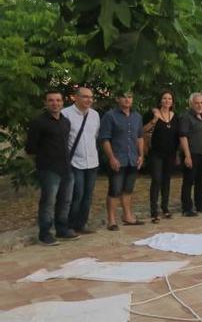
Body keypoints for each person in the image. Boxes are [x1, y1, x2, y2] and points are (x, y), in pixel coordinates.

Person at [26, 90, 77, 245]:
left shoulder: (65, 121)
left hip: (66, 167)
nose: (55, 103)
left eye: (58, 100)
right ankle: (45, 233)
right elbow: (30, 148)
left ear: (63, 102)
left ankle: (62, 229)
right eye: (51, 100)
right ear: (45, 103)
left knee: (65, 200)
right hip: (49, 169)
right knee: (48, 202)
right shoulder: (39, 122)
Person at [99, 91, 144, 230]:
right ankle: (111, 220)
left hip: (133, 159)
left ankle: (127, 216)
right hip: (118, 158)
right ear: (117, 99)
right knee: (115, 190)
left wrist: (141, 155)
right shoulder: (110, 116)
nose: (127, 100)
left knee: (128, 189)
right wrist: (111, 157)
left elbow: (140, 137)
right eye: (124, 97)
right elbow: (105, 139)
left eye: (130, 97)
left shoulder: (137, 117)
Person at [63, 87, 100, 234]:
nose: (89, 100)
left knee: (88, 195)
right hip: (74, 162)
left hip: (92, 161)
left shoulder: (95, 115)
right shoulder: (66, 114)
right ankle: (70, 224)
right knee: (77, 194)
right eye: (85, 97)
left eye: (91, 97)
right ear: (75, 98)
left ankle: (82, 223)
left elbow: (95, 136)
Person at [143, 91, 179, 222]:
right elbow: (143, 130)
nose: (167, 100)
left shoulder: (175, 116)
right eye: (164, 98)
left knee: (167, 181)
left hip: (170, 153)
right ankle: (154, 211)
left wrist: (178, 153)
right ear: (160, 100)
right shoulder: (153, 113)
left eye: (169, 98)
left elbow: (177, 136)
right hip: (156, 153)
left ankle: (165, 208)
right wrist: (155, 120)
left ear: (172, 101)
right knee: (157, 180)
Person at [178, 93, 202, 217]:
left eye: (201, 103)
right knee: (189, 181)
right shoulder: (186, 117)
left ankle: (200, 204)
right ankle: (187, 207)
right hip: (192, 153)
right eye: (197, 103)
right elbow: (183, 137)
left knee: (201, 180)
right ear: (191, 104)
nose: (200, 105)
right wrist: (187, 156)